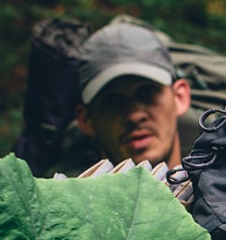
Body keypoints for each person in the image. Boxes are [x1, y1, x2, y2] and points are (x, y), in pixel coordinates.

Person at [71, 20, 192, 169]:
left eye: (147, 92)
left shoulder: (219, 185)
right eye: (112, 101)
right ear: (85, 120)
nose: (134, 116)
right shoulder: (62, 191)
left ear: (180, 97)